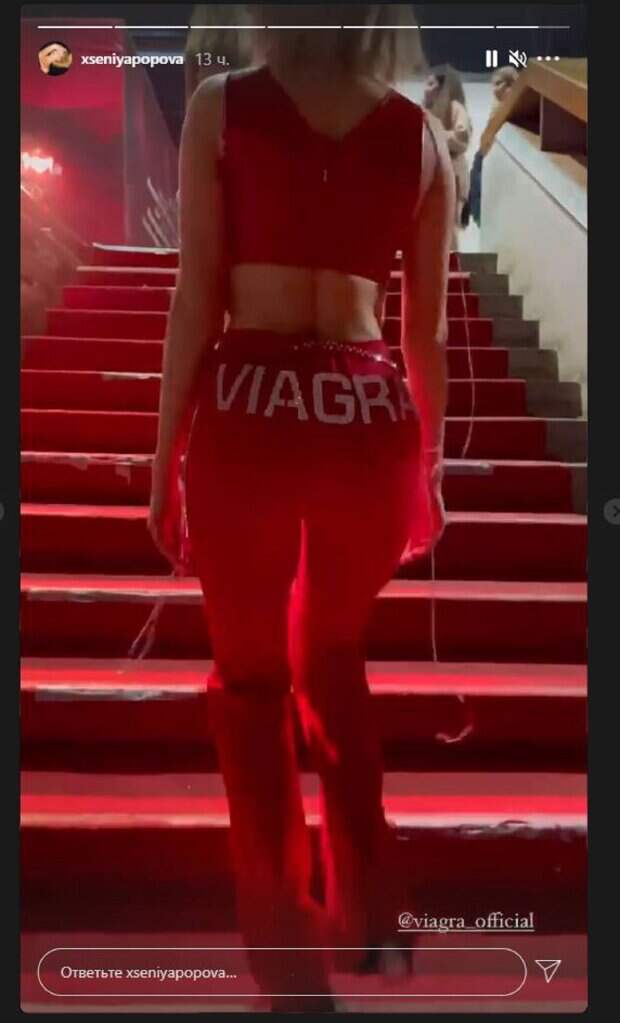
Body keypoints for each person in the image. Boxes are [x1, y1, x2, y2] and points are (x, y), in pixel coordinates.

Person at [148, 2, 454, 1011]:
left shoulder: (221, 106)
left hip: (249, 409)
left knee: (250, 687)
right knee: (333, 656)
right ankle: (374, 925)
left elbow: (197, 293)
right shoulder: (420, 136)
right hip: (367, 421)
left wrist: (164, 453)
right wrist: (428, 472)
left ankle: (288, 966)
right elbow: (422, 338)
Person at [423, 64, 471, 249]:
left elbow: (462, 137)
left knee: (448, 226)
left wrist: (435, 134)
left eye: (431, 84)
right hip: (430, 173)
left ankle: (451, 264)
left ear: (442, 87)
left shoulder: (454, 108)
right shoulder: (424, 109)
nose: (426, 89)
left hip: (452, 173)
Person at [468, 66, 519, 227]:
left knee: (481, 189)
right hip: (485, 150)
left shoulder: (510, 103)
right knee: (476, 187)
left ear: (509, 85)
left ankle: (481, 219)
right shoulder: (500, 101)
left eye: (498, 84)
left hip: (492, 154)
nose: (494, 89)